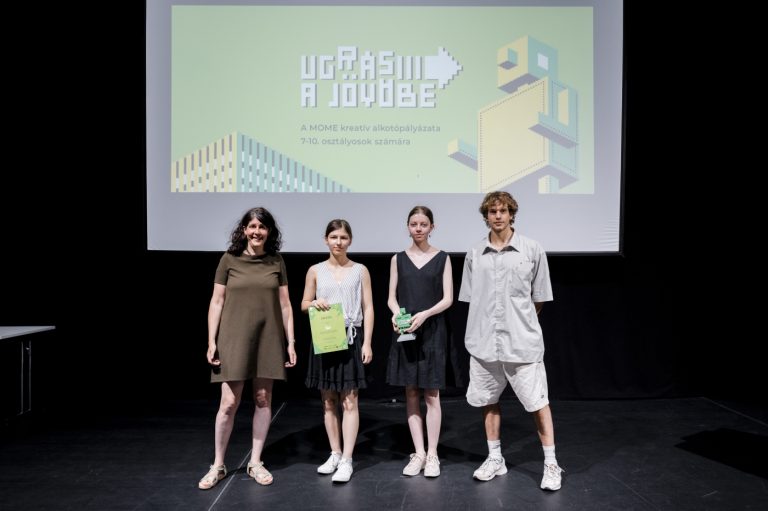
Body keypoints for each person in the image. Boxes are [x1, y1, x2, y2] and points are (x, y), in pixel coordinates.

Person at [458, 191, 563, 490]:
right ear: (486, 216)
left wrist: (518, 322)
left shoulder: (532, 250)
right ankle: (495, 458)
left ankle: (551, 464)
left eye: (503, 211)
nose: (498, 216)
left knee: (538, 403)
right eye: (492, 211)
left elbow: (538, 299)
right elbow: (473, 299)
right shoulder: (475, 253)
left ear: (512, 214)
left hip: (522, 343)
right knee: (488, 401)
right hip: (483, 343)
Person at [198, 207, 297, 490]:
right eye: (252, 226)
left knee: (263, 399)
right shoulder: (228, 259)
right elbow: (216, 301)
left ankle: (255, 461)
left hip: (268, 337)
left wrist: (290, 341)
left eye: (262, 227)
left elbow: (285, 305)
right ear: (244, 230)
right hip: (233, 337)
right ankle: (218, 464)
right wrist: (211, 340)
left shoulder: (276, 261)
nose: (257, 232)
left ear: (269, 231)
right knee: (229, 402)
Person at [385, 206, 457, 478]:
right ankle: (419, 453)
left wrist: (425, 314)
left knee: (432, 394)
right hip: (406, 331)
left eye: (423, 224)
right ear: (408, 226)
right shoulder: (398, 259)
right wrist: (396, 314)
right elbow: (391, 298)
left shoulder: (442, 258)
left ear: (431, 227)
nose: (418, 228)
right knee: (411, 392)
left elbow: (448, 298)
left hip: (433, 330)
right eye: (414, 224)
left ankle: (433, 454)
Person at [301, 219, 374, 483]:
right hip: (325, 337)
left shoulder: (360, 270)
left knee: (350, 400)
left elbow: (368, 307)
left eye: (343, 237)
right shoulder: (315, 270)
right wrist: (314, 303)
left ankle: (347, 459)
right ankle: (335, 453)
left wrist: (367, 342)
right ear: (326, 239)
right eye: (333, 237)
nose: (338, 242)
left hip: (351, 338)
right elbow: (303, 303)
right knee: (328, 400)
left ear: (350, 240)